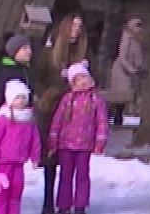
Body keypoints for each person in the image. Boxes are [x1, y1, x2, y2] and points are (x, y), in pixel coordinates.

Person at [32, 16, 88, 214]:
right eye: (73, 25)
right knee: (50, 158)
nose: (77, 29)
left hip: (75, 113)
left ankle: (67, 203)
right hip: (51, 109)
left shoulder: (82, 54)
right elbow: (37, 78)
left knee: (70, 160)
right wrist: (46, 94)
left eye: (80, 26)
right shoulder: (49, 54)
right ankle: (48, 202)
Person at [45, 64, 107, 214]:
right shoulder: (67, 99)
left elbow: (102, 122)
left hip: (84, 146)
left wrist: (100, 143)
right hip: (66, 145)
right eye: (78, 79)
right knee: (65, 176)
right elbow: (57, 120)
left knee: (82, 176)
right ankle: (63, 205)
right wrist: (53, 141)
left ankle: (80, 205)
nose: (82, 82)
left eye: (84, 77)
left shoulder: (96, 100)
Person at [0, 81, 41, 214]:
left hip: (19, 163)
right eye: (18, 97)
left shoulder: (28, 120)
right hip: (3, 164)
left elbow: (35, 140)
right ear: (10, 99)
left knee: (16, 192)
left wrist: (35, 157)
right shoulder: (4, 118)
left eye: (23, 97)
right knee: (0, 193)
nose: (21, 101)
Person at [106, 20, 145, 129]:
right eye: (137, 26)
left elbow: (137, 56)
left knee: (124, 96)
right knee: (119, 95)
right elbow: (122, 57)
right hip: (121, 71)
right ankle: (113, 118)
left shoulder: (135, 39)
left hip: (129, 71)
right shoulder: (126, 38)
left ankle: (116, 117)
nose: (139, 29)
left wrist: (139, 68)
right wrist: (132, 70)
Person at [0, 37, 32, 122]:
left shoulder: (25, 69)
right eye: (24, 48)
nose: (29, 51)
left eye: (29, 48)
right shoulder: (6, 71)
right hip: (9, 119)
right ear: (15, 52)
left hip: (24, 117)